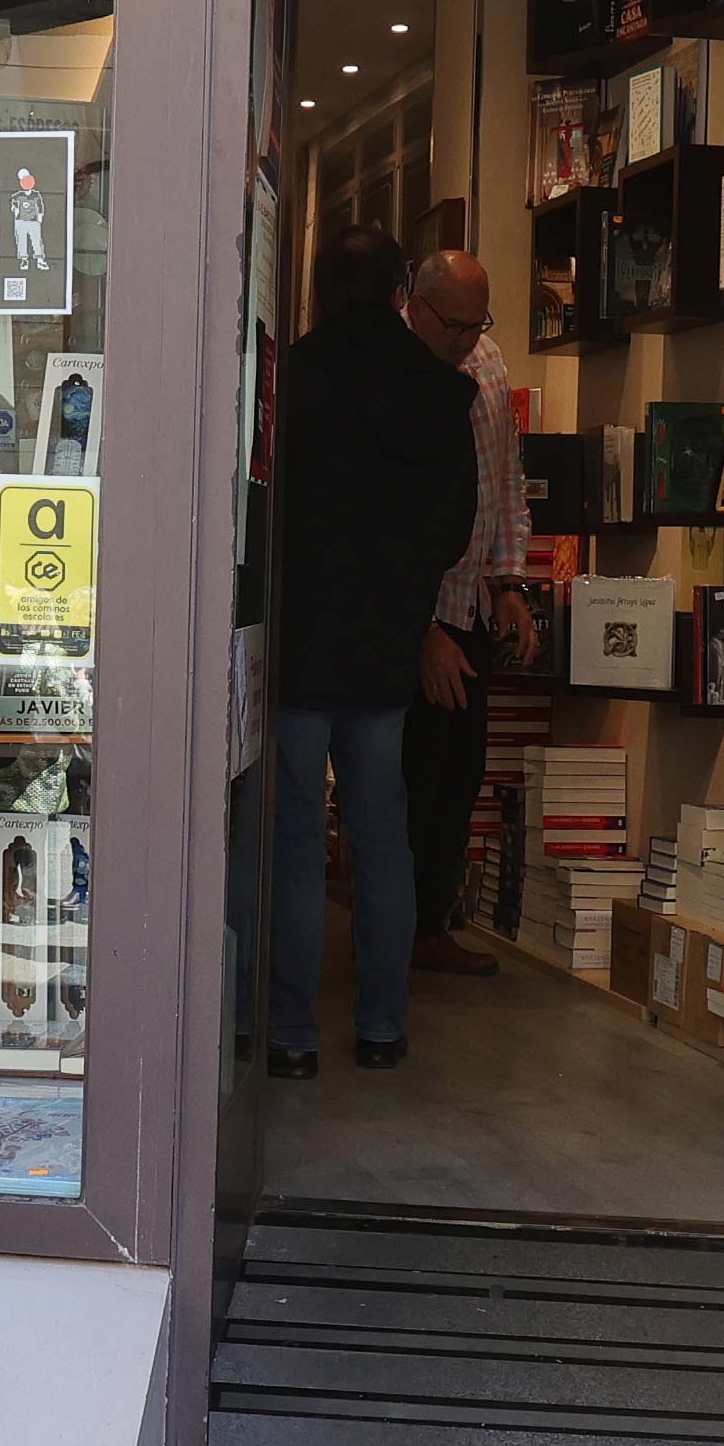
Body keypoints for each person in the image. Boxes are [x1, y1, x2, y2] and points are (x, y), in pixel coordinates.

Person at [267, 228, 480, 1074]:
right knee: (382, 836)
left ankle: (288, 1036)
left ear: (317, 288)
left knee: (291, 845)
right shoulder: (440, 392)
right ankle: (382, 1027)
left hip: (297, 641)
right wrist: (403, 593)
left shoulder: (290, 378)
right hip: (389, 644)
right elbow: (452, 530)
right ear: (400, 292)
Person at [396, 249, 535, 977]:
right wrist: (421, 629)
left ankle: (429, 927)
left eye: (474, 321)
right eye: (451, 322)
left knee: (461, 772)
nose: (462, 337)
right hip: (410, 614)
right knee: (412, 779)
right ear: (414, 306)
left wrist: (510, 582)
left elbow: (504, 477)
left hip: (471, 604)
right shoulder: (387, 369)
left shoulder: (485, 361)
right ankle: (395, 938)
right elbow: (380, 519)